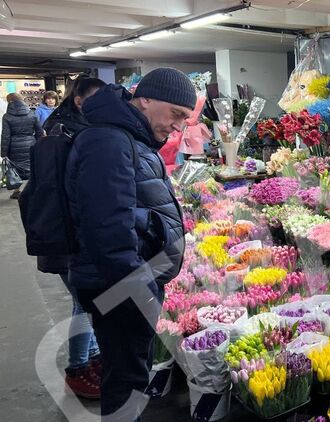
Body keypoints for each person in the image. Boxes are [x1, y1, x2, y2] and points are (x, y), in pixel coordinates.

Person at [65, 68, 194, 421]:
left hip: (125, 283)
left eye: (185, 118)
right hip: (120, 287)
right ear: (146, 99)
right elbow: (108, 231)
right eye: (176, 114)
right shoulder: (109, 141)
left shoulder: (127, 137)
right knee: (127, 381)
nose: (178, 126)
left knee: (129, 374)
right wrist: (142, 292)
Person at [39, 76, 107, 399]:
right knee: (85, 303)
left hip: (64, 231)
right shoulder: (71, 134)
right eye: (96, 99)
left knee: (85, 302)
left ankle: (91, 358)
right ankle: (78, 368)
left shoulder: (64, 126)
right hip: (68, 233)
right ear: (78, 101)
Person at [1, 93, 44, 199]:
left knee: (15, 169)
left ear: (10, 102)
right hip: (31, 143)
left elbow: (6, 136)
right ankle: (32, 189)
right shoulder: (32, 114)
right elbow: (39, 131)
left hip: (14, 146)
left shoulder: (7, 117)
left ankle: (17, 191)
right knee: (32, 166)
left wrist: (3, 153)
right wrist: (38, 143)